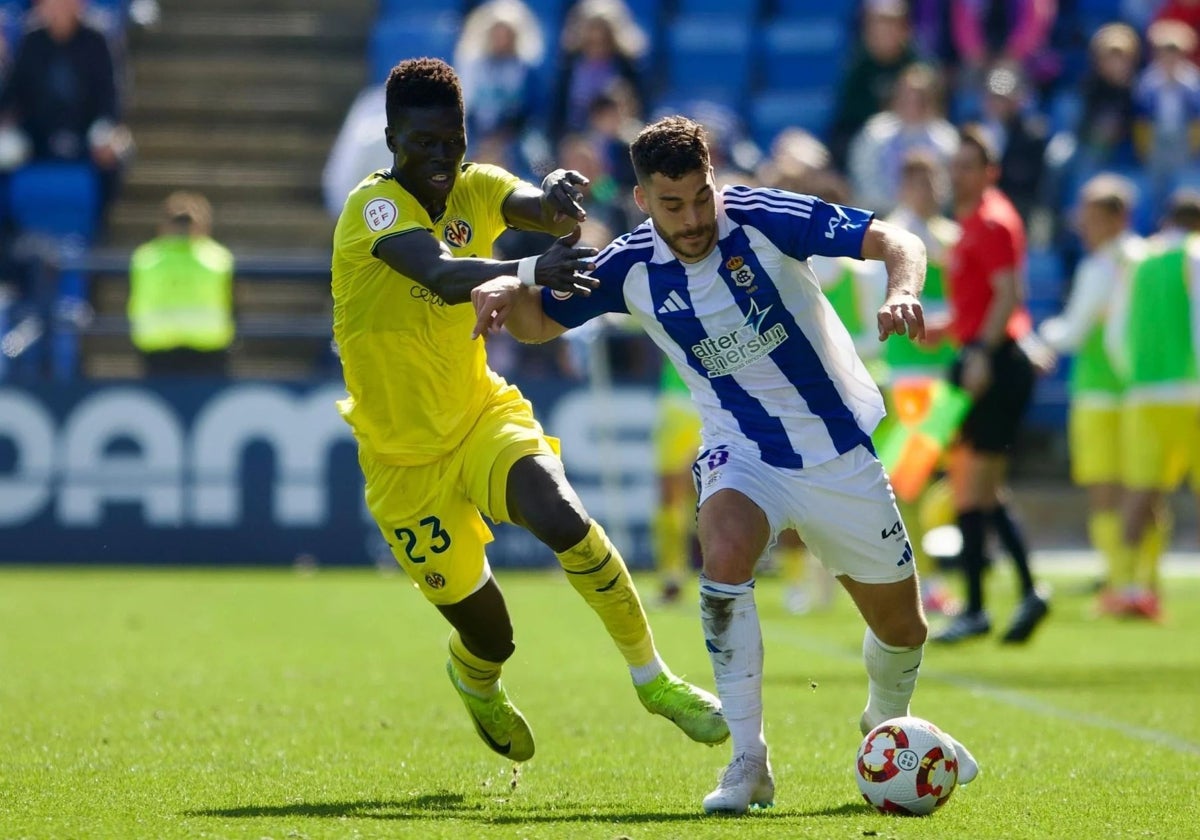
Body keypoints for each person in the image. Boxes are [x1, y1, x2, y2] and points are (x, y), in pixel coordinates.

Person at [470, 115, 978, 814]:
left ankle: (884, 723)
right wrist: (507, 288)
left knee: (903, 630)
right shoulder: (628, 265)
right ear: (644, 200)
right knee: (726, 546)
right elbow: (540, 321)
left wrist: (902, 288)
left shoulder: (766, 218)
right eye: (672, 205)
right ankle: (749, 760)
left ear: (714, 181)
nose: (692, 218)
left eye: (701, 197)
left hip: (836, 451)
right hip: (741, 449)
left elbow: (897, 238)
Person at [330, 59, 727, 764]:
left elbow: (537, 210)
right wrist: (525, 269)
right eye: (422, 141)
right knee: (493, 636)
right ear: (391, 138)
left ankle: (654, 679)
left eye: (451, 139)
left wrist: (559, 195)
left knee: (564, 520)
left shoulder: (473, 185)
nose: (440, 157)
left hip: (480, 415)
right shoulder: (375, 208)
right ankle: (474, 679)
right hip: (402, 463)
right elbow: (443, 275)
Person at [926, 125, 1050, 645]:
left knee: (971, 487)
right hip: (981, 354)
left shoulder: (993, 220)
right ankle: (1025, 593)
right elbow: (981, 302)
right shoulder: (972, 221)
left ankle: (978, 606)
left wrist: (978, 351)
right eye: (955, 165)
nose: (958, 174)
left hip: (993, 363)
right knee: (980, 488)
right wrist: (951, 329)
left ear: (990, 171)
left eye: (969, 166)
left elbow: (1007, 294)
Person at [1038, 175, 1145, 616]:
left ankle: (1116, 580)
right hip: (1138, 392)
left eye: (1093, 218)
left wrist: (1041, 334)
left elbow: (1073, 333)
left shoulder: (1099, 266)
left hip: (1100, 391)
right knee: (1142, 488)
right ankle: (1142, 580)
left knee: (1105, 490)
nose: (1084, 226)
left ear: (1117, 217)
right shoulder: (1148, 260)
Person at [1103, 190, 1200, 620]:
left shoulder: (1137, 261)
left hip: (1142, 392)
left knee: (1141, 490)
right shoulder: (1193, 255)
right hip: (1189, 390)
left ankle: (1126, 586)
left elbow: (1115, 335)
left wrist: (1134, 377)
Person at [0, 0, 131, 222]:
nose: (60, 7)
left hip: (86, 130)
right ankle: (10, 230)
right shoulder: (31, 40)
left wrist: (106, 131)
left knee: (114, 149)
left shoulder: (97, 39)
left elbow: (111, 97)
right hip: (36, 134)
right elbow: (12, 93)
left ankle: (99, 223)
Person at [127, 191, 235, 377]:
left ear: (163, 226)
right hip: (209, 347)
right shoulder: (218, 258)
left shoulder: (144, 258)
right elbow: (234, 302)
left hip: (157, 348)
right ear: (202, 226)